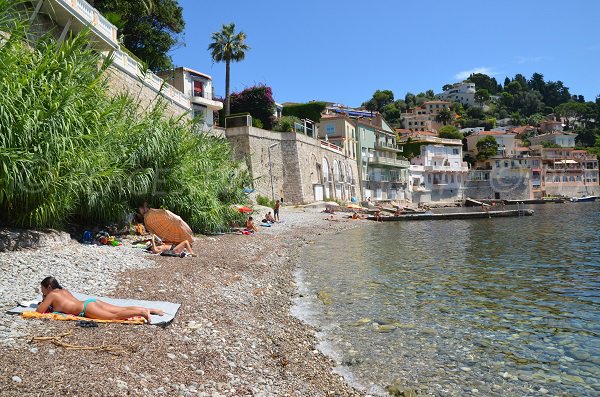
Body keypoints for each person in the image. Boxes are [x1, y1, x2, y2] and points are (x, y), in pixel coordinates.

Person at [36, 277, 163, 324]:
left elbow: (39, 311)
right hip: (91, 302)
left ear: (48, 287)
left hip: (86, 309)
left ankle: (142, 313)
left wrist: (43, 299)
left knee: (114, 316)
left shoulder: (52, 295)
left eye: (43, 290)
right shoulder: (64, 290)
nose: (43, 293)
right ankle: (150, 310)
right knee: (120, 309)